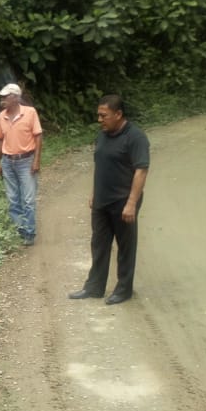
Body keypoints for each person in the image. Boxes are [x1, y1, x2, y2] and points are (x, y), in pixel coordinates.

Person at [68, 95, 150, 305]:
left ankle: (123, 290)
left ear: (118, 114)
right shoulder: (102, 135)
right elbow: (101, 165)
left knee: (125, 246)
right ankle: (94, 287)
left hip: (123, 201)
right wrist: (94, 193)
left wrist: (131, 203)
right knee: (99, 244)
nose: (100, 119)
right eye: (99, 115)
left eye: (104, 115)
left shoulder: (136, 137)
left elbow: (141, 170)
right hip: (102, 200)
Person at [0, 83, 44, 246]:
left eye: (5, 97)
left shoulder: (30, 113)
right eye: (1, 97)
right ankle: (20, 230)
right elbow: (1, 139)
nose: (2, 100)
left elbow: (38, 137)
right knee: (13, 199)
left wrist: (36, 160)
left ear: (15, 97)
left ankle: (29, 233)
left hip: (26, 161)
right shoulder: (2, 116)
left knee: (28, 200)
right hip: (8, 162)